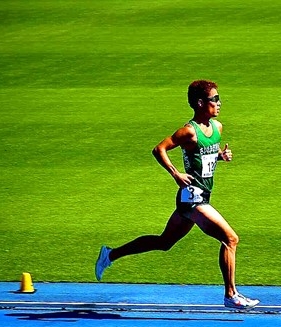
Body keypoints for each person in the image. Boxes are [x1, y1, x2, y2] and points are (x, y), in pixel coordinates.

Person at [95, 80, 259, 310]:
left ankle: (110, 255)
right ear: (201, 103)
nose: (219, 103)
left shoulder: (217, 128)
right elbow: (158, 149)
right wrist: (175, 174)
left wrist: (220, 156)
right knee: (230, 239)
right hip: (192, 198)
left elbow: (203, 157)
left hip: (201, 195)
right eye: (215, 99)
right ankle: (230, 295)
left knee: (164, 242)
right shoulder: (188, 131)